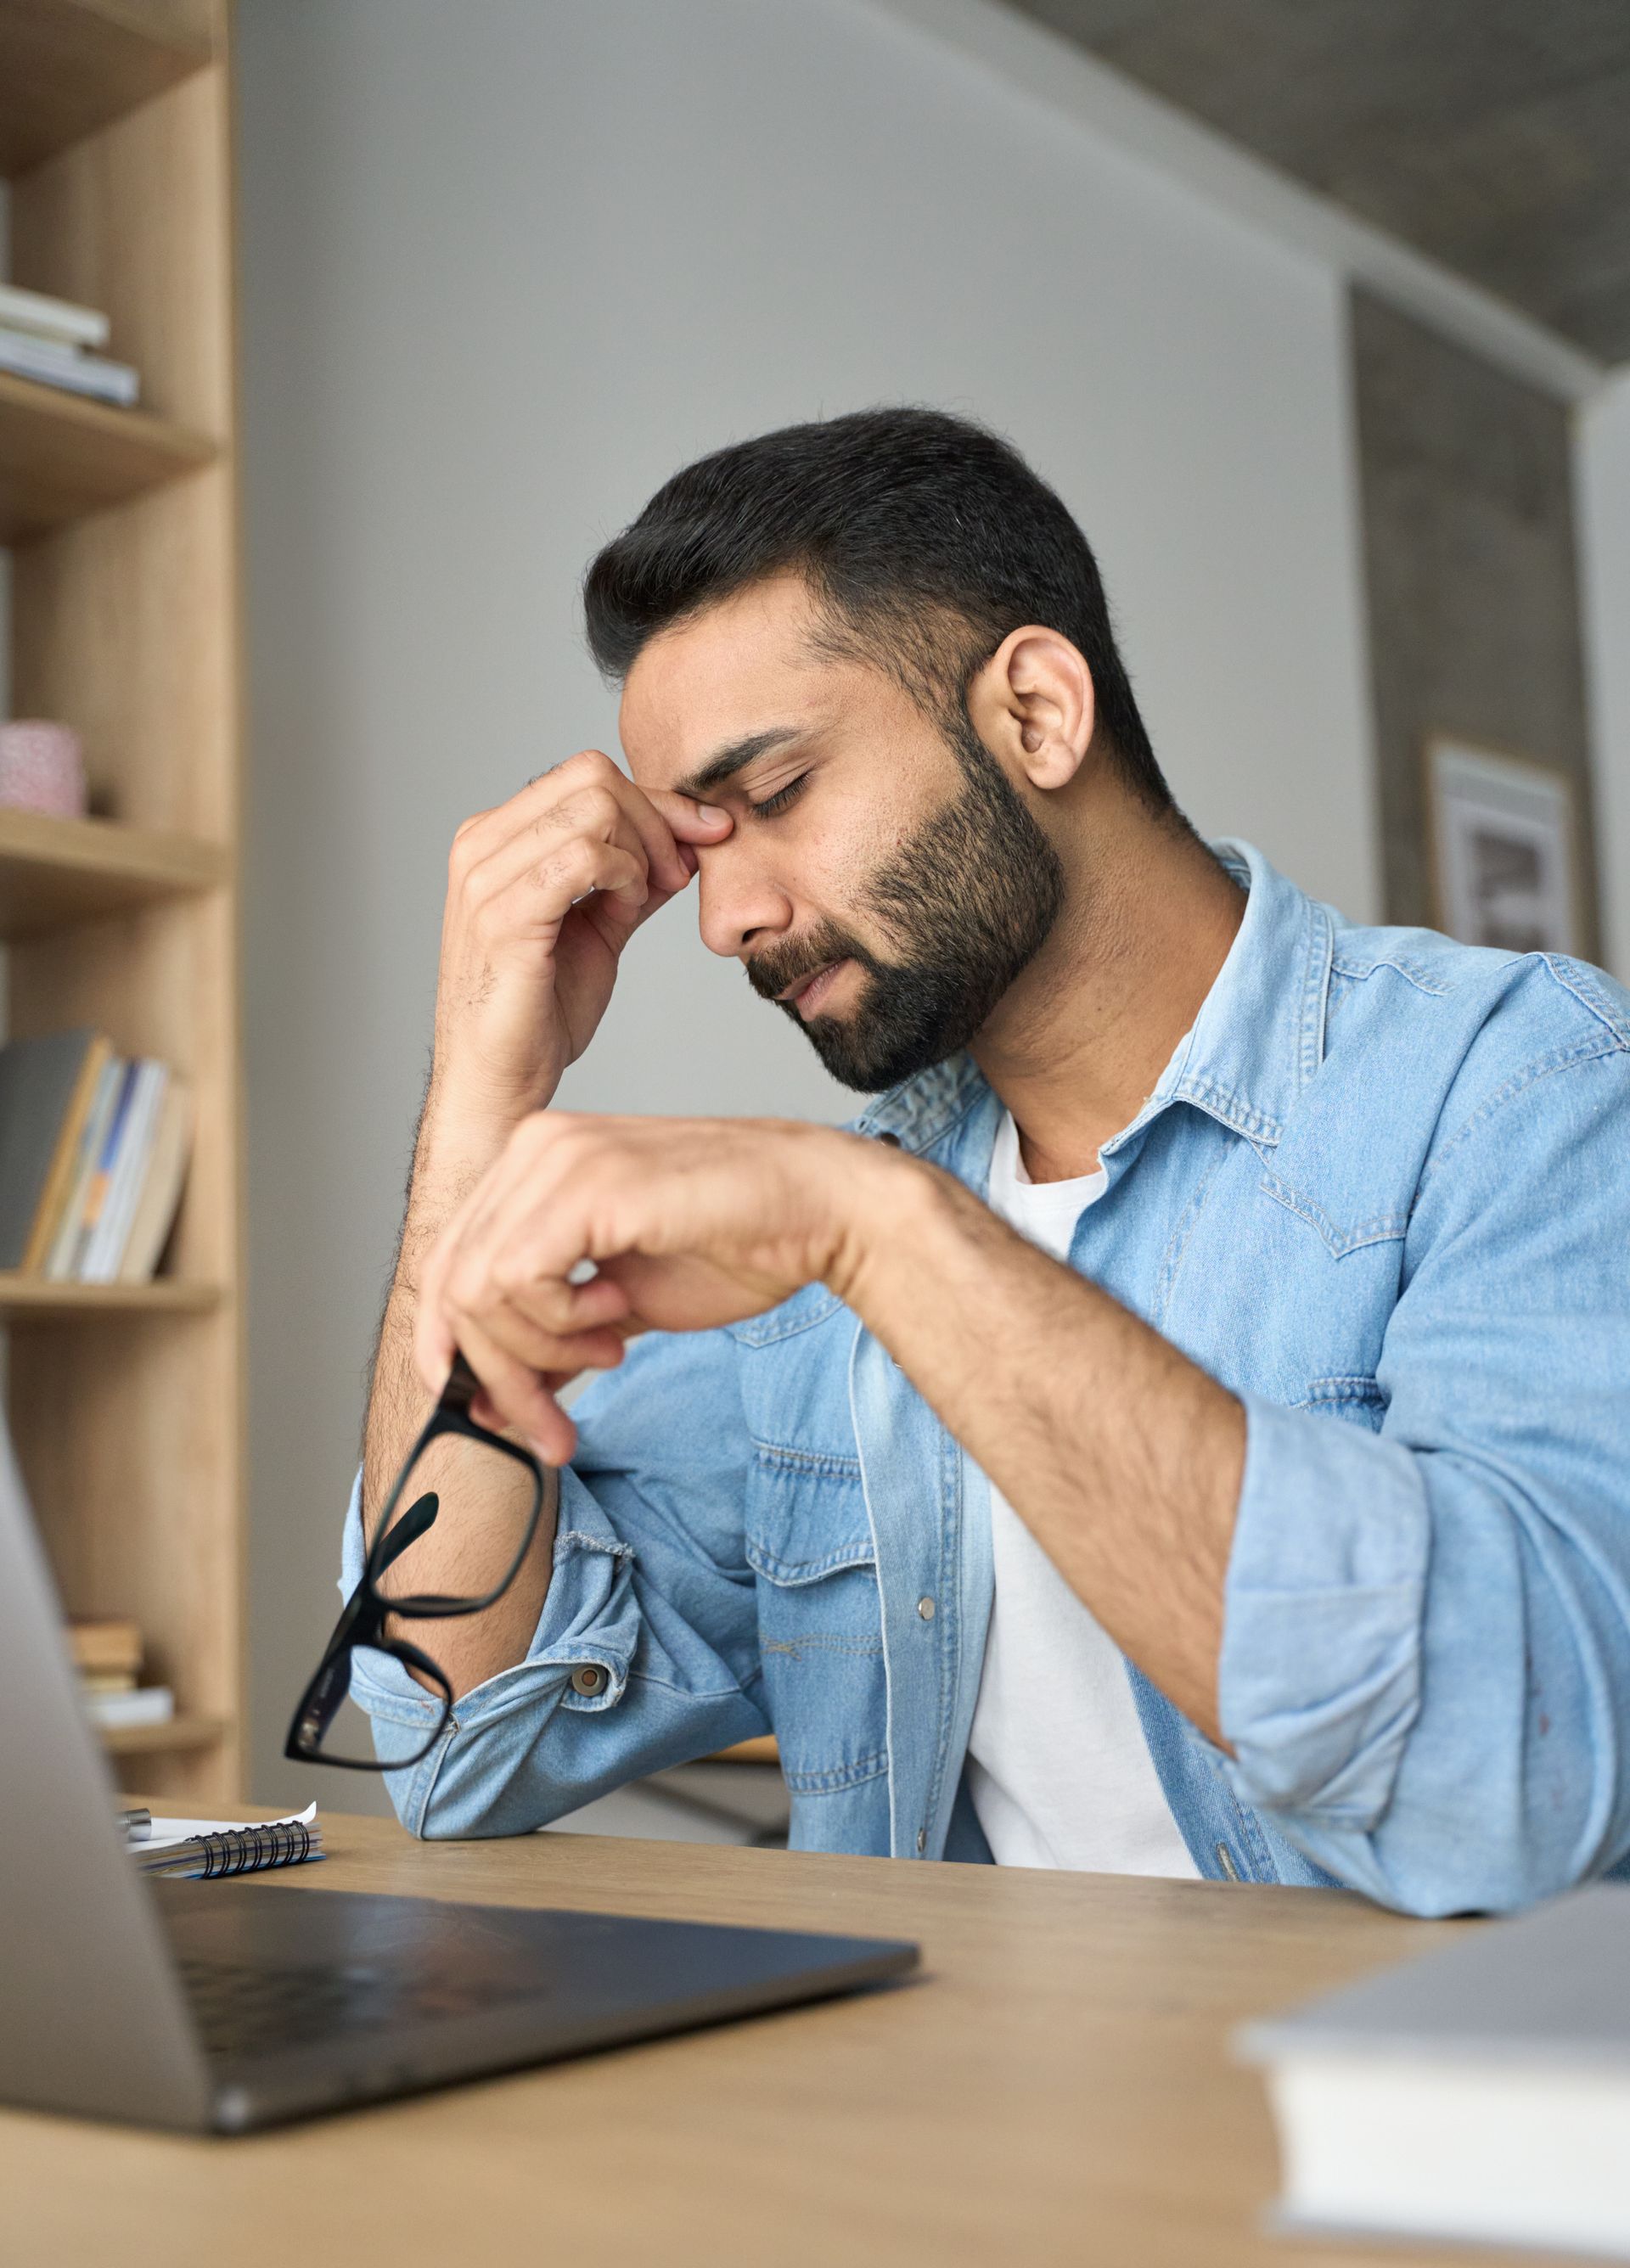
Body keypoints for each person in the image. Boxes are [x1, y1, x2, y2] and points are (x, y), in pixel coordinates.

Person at [341, 406, 1630, 1913]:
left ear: (1036, 711)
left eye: (778, 799)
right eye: (704, 845)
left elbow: (1521, 1784)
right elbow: (451, 1738)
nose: (726, 920)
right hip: (945, 2127)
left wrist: (888, 1233)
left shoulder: (1521, 1083)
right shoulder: (829, 1250)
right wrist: (487, 1092)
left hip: (1377, 2125)